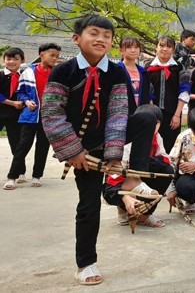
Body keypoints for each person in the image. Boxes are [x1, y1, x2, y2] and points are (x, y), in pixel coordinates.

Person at [41, 15, 154, 285]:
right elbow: (52, 114)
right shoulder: (63, 71)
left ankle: (133, 179)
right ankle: (86, 263)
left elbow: (119, 113)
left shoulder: (116, 72)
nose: (101, 39)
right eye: (94, 33)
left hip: (111, 140)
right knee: (89, 204)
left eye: (107, 35)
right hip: (82, 150)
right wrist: (73, 151)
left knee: (149, 114)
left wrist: (114, 157)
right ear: (77, 38)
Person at [103, 104, 173, 228]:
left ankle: (145, 214)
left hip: (142, 177)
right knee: (112, 186)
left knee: (167, 170)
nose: (152, 128)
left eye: (156, 124)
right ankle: (123, 208)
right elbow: (115, 173)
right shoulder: (127, 141)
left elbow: (165, 159)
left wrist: (147, 162)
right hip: (120, 179)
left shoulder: (158, 138)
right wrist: (125, 196)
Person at [5, 43, 60, 190]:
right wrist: (26, 101)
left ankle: (37, 176)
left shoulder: (58, 73)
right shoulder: (28, 72)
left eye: (57, 56)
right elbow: (21, 92)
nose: (55, 58)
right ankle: (12, 177)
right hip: (30, 115)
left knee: (43, 146)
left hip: (48, 116)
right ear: (42, 55)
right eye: (52, 55)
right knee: (22, 146)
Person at [147, 36, 191, 153]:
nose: (165, 49)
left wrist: (177, 115)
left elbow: (184, 91)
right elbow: (148, 92)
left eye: (169, 46)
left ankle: (169, 171)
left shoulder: (179, 67)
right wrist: (153, 114)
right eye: (161, 45)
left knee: (170, 146)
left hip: (173, 113)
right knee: (151, 145)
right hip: (152, 113)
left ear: (174, 49)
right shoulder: (148, 67)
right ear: (156, 47)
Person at [1, 48, 25, 190]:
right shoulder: (0, 75)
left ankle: (20, 172)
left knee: (16, 145)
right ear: (4, 60)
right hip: (1, 112)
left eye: (16, 59)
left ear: (22, 61)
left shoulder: (25, 77)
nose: (12, 62)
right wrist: (12, 103)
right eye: (9, 59)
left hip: (15, 116)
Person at [118, 37, 152, 116]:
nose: (133, 50)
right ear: (121, 50)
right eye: (129, 47)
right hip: (121, 115)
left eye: (136, 47)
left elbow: (149, 95)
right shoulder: (116, 70)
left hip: (142, 115)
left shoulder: (143, 72)